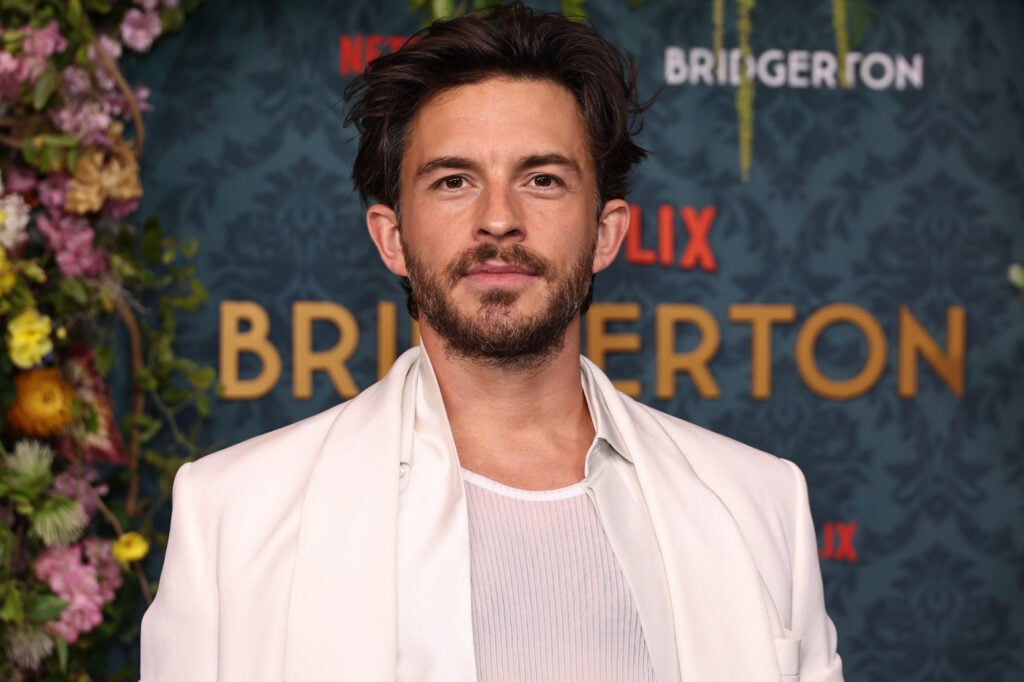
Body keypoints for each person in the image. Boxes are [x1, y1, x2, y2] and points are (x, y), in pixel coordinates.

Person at [140, 3, 843, 680]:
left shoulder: (757, 502)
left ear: (606, 233)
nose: (498, 220)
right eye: (453, 181)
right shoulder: (234, 514)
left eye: (541, 180)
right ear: (392, 237)